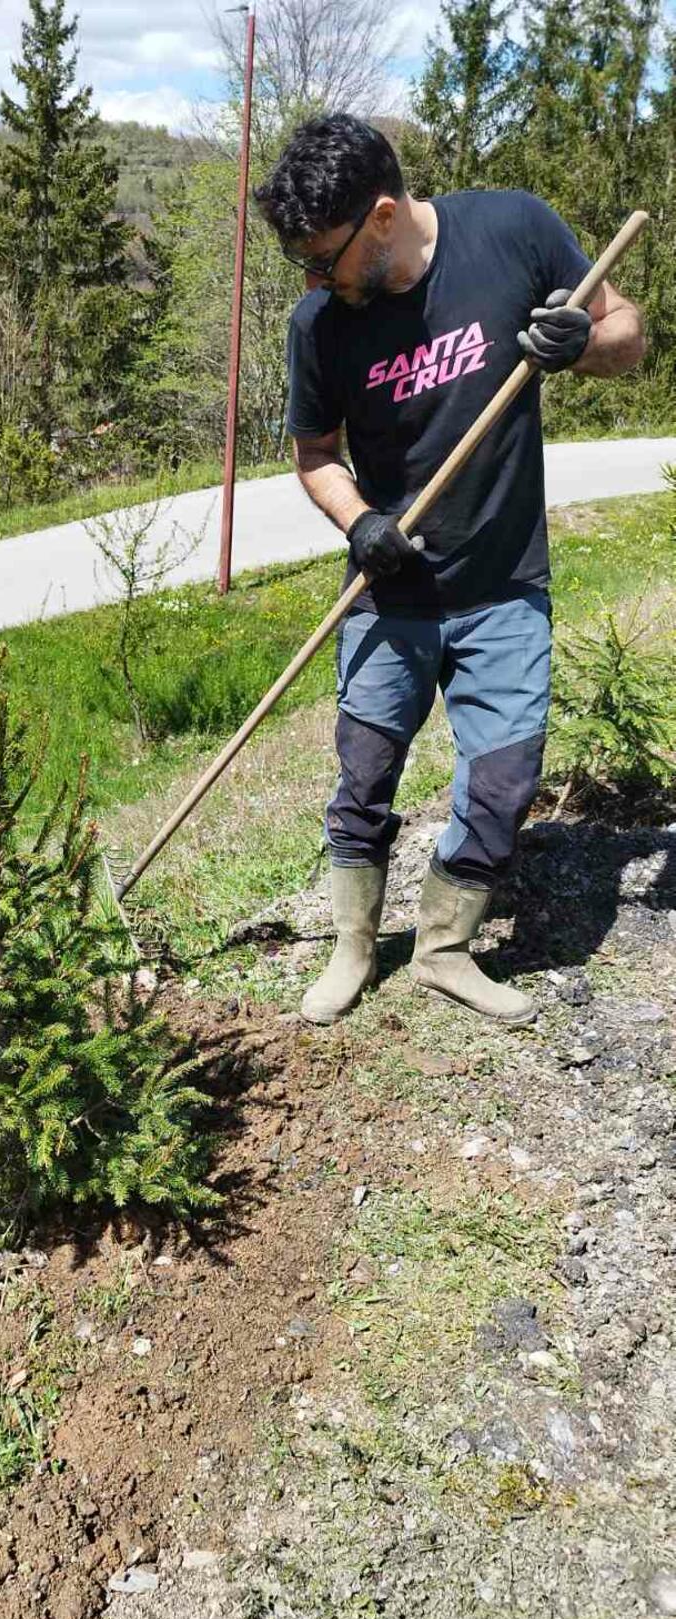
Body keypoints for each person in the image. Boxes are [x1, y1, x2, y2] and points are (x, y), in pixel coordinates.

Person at [253, 115, 645, 1027]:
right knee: (364, 775)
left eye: (323, 259)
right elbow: (315, 456)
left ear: (383, 217)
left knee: (504, 781)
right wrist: (361, 523)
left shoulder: (513, 229)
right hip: (390, 594)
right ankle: (354, 944)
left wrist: (579, 343)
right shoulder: (319, 325)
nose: (312, 280)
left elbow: (626, 335)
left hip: (505, 584)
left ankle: (443, 948)